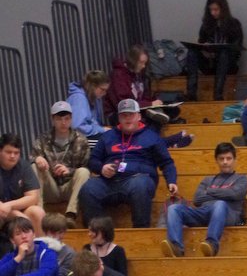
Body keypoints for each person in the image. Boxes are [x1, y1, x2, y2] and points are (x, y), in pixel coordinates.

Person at [79, 99, 177, 228]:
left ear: (139, 116)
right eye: (124, 115)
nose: (127, 118)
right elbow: (93, 160)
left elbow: (166, 162)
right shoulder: (107, 136)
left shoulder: (152, 137)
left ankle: (140, 231)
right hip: (109, 181)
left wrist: (171, 180)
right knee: (88, 188)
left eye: (131, 114)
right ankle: (97, 231)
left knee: (141, 184)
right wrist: (102, 168)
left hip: (137, 180)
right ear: (119, 118)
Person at [162, 141, 247, 258]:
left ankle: (212, 245)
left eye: (229, 158)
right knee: (174, 208)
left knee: (220, 204)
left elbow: (235, 194)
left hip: (227, 214)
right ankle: (176, 247)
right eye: (221, 159)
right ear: (216, 160)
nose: (225, 162)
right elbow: (197, 199)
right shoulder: (207, 180)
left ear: (234, 160)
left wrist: (209, 191)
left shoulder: (242, 179)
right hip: (203, 213)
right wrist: (224, 193)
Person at [30, 102, 91, 225]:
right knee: (34, 166)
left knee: (84, 172)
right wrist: (37, 159)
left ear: (71, 119)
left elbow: (87, 166)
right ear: (52, 119)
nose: (63, 123)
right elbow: (32, 157)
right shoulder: (43, 139)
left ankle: (71, 215)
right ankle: (39, 212)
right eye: (59, 119)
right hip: (51, 187)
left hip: (70, 187)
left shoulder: (81, 140)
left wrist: (69, 170)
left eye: (67, 118)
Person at [184, 0, 242, 102]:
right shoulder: (206, 25)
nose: (213, 13)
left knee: (223, 54)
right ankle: (191, 93)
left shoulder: (234, 24)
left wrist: (221, 50)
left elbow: (237, 50)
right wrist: (204, 49)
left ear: (223, 9)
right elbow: (201, 42)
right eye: (211, 10)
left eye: (216, 9)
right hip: (210, 64)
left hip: (227, 65)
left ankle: (218, 95)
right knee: (191, 52)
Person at [105, 45, 171, 126]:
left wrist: (155, 102)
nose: (143, 66)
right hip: (120, 113)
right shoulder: (118, 75)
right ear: (133, 60)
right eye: (141, 62)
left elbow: (145, 96)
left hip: (138, 109)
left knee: (171, 111)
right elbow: (124, 103)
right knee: (152, 122)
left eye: (145, 63)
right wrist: (150, 104)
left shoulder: (138, 74)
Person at [0, 133, 45, 234]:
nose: (12, 156)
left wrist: (10, 206)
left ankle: (39, 243)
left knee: (37, 212)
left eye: (16, 153)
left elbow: (33, 197)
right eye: (8, 152)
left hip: (17, 209)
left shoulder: (24, 166)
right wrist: (16, 215)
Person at [67, 70, 111, 142]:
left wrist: (104, 128)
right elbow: (77, 126)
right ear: (93, 86)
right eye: (102, 89)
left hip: (87, 136)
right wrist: (102, 129)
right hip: (78, 140)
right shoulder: (79, 98)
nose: (105, 93)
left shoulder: (94, 98)